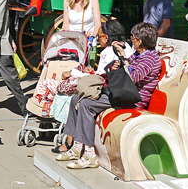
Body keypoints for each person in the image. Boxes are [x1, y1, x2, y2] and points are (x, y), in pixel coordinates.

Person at [56, 23, 161, 169]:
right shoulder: (139, 54)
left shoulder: (150, 59)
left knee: (86, 104)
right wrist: (118, 63)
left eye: (134, 38)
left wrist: (123, 60)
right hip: (122, 92)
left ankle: (89, 154)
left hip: (132, 99)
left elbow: (132, 78)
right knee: (76, 98)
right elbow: (127, 67)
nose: (132, 40)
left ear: (140, 40)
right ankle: (76, 146)